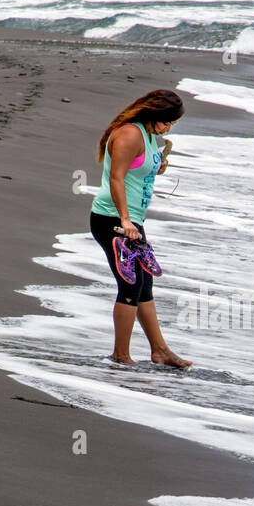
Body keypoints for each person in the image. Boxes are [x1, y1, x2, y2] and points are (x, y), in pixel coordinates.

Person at [89, 89, 192, 368]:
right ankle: (120, 355)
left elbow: (136, 167)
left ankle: (159, 350)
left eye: (172, 123)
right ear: (154, 114)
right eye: (167, 121)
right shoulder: (130, 134)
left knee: (145, 282)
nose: (169, 127)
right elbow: (116, 178)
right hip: (112, 219)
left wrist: (155, 168)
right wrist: (124, 221)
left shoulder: (147, 135)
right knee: (130, 283)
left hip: (133, 221)